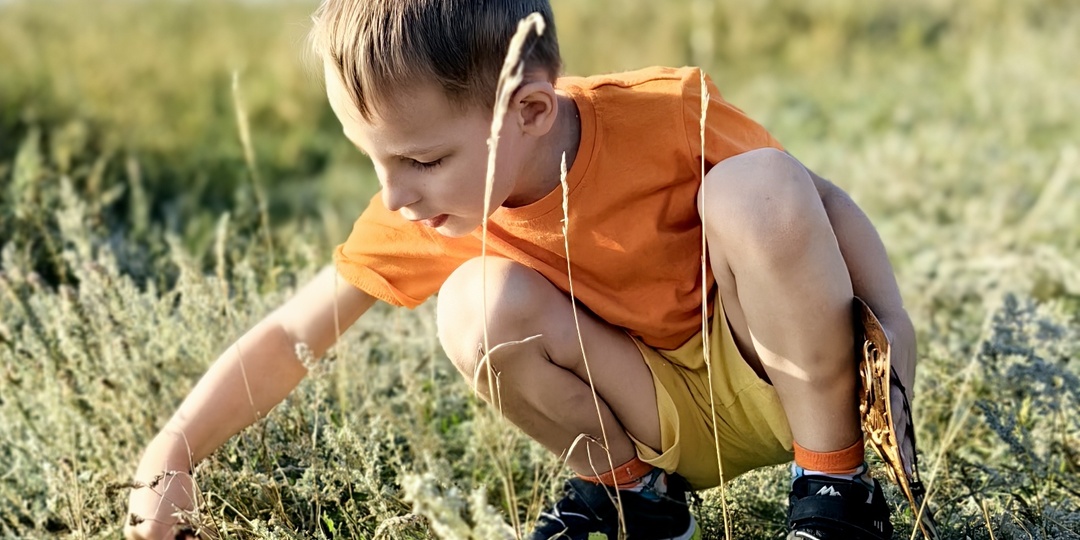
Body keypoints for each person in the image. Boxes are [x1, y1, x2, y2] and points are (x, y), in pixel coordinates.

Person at [124, 1, 918, 539]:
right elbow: (293, 333)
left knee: (758, 183)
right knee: (474, 303)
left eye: (423, 158)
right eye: (373, 160)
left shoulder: (668, 109)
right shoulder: (432, 207)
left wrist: (893, 342)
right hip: (654, 411)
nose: (395, 194)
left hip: (785, 376)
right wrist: (172, 452)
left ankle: (838, 493)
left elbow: (815, 206)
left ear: (531, 112)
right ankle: (632, 499)